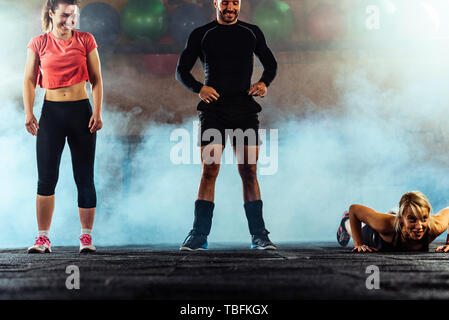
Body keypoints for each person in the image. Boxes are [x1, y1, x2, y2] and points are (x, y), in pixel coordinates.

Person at [175, 0, 278, 250]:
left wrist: (264, 82)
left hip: (244, 111)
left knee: (249, 172)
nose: (230, 7)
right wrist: (200, 88)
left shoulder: (252, 32)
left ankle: (259, 235)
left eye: (234, 2)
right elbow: (181, 71)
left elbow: (271, 65)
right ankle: (199, 235)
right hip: (214, 113)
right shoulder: (201, 34)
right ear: (216, 3)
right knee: (209, 171)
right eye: (225, 2)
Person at [23, 0, 103, 253]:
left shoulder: (86, 40)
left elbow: (97, 80)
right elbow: (28, 80)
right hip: (51, 114)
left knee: (84, 177)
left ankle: (86, 238)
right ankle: (43, 238)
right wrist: (28, 112)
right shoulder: (39, 43)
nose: (70, 20)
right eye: (65, 14)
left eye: (74, 15)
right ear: (51, 14)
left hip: (82, 112)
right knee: (46, 178)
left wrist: (98, 112)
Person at [336, 191, 449, 253]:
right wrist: (359, 244)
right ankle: (345, 222)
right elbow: (354, 209)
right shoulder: (384, 225)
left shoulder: (435, 226)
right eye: (412, 219)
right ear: (400, 219)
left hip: (398, 218)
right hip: (379, 236)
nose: (419, 226)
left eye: (424, 218)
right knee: (357, 230)